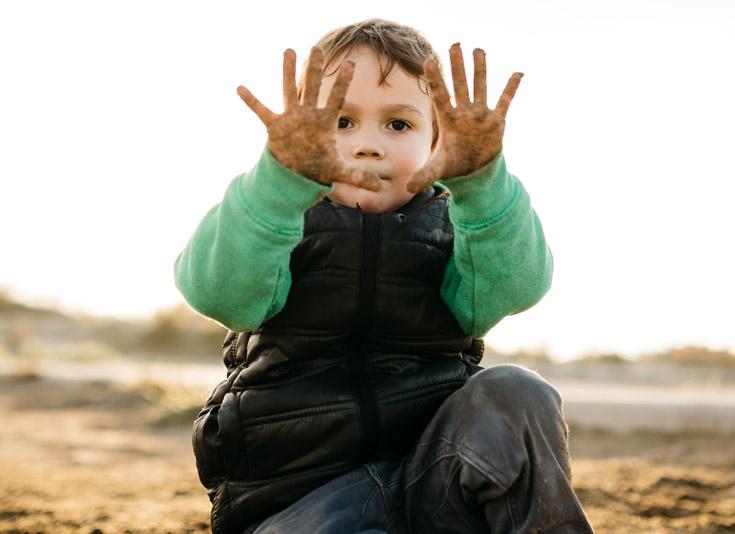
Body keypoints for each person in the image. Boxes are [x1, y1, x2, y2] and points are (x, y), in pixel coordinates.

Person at [176, 18, 593, 534]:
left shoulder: (458, 229)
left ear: (437, 141)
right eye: (341, 120)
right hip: (300, 505)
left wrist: (482, 184)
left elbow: (516, 287)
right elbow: (222, 293)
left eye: (398, 125)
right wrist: (278, 182)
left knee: (516, 392)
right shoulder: (275, 221)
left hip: (429, 486)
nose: (367, 144)